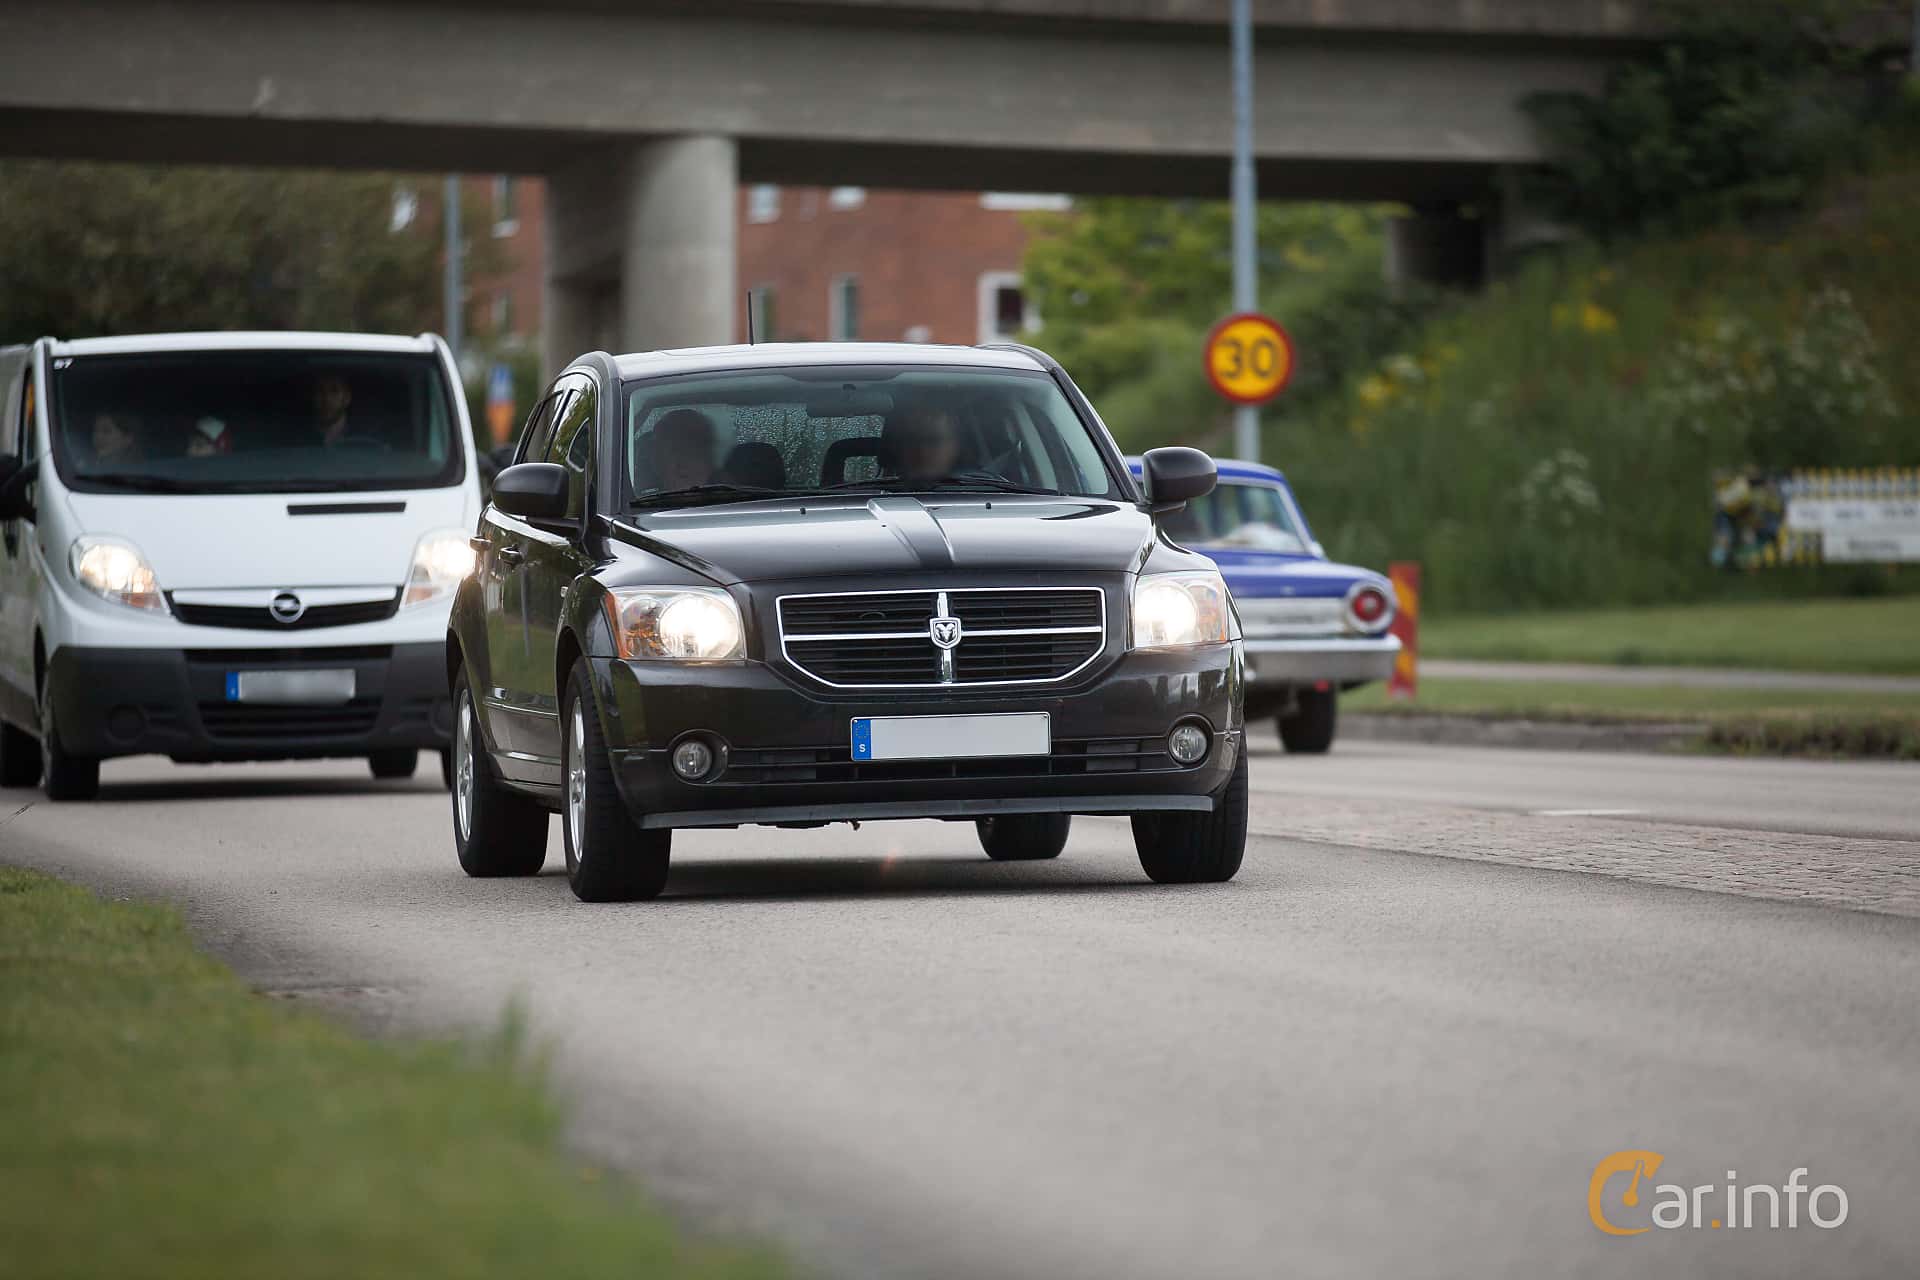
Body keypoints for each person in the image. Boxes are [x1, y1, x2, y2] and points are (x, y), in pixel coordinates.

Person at [880, 405, 961, 481]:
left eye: (933, 441)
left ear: (954, 446)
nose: (922, 451)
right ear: (897, 447)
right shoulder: (874, 492)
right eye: (911, 441)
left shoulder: (971, 490)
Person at [651, 408, 717, 491]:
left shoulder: (734, 494)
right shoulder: (641, 498)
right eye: (675, 451)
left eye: (694, 453)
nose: (682, 468)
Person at [311, 373, 353, 446]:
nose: (326, 399)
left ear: (347, 398)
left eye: (334, 391)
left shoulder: (363, 436)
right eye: (320, 390)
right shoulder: (298, 437)